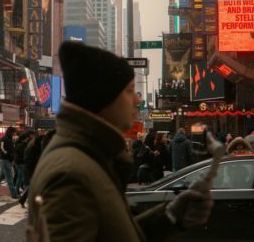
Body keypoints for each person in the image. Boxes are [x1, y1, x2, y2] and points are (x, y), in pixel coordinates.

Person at [27, 42, 213, 241]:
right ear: (105, 98)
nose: (137, 100)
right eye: (130, 90)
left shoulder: (89, 158)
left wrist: (170, 218)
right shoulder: (71, 173)